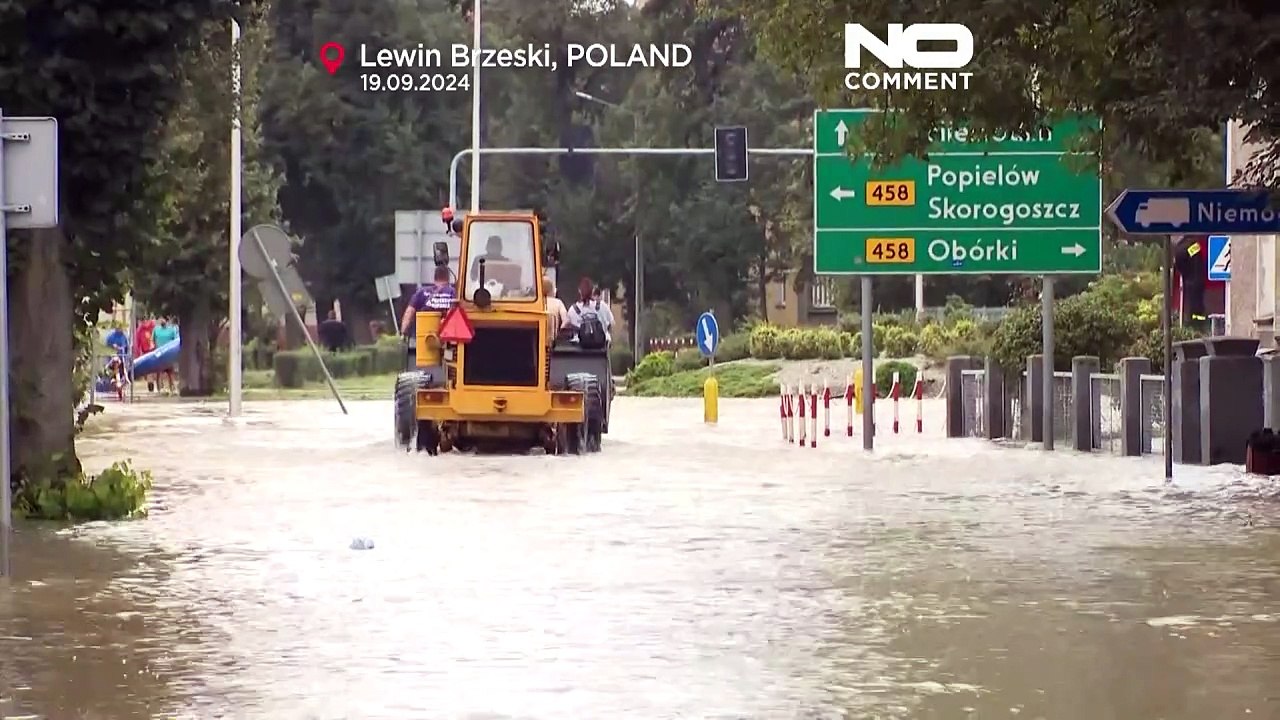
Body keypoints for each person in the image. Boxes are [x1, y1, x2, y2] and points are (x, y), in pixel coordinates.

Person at [400, 266, 457, 364]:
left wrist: (403, 332)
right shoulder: (453, 293)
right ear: (448, 278)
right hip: (447, 340)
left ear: (434, 278)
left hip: (425, 345)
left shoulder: (422, 292)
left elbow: (409, 312)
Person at [566, 277, 611, 349]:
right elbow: (609, 324)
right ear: (593, 290)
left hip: (580, 348)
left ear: (579, 291)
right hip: (601, 348)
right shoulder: (603, 306)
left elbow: (569, 326)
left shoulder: (573, 309)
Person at [150, 317, 179, 393]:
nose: (161, 321)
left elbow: (175, 340)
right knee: (159, 372)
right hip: (159, 354)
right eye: (160, 320)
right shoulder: (156, 329)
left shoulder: (172, 329)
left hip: (169, 354)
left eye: (163, 319)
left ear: (167, 321)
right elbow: (152, 340)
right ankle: (160, 389)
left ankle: (172, 388)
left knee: (170, 372)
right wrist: (153, 347)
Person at [543, 276, 570, 342]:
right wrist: (559, 332)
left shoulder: (537, 303)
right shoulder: (558, 302)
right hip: (552, 340)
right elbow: (566, 321)